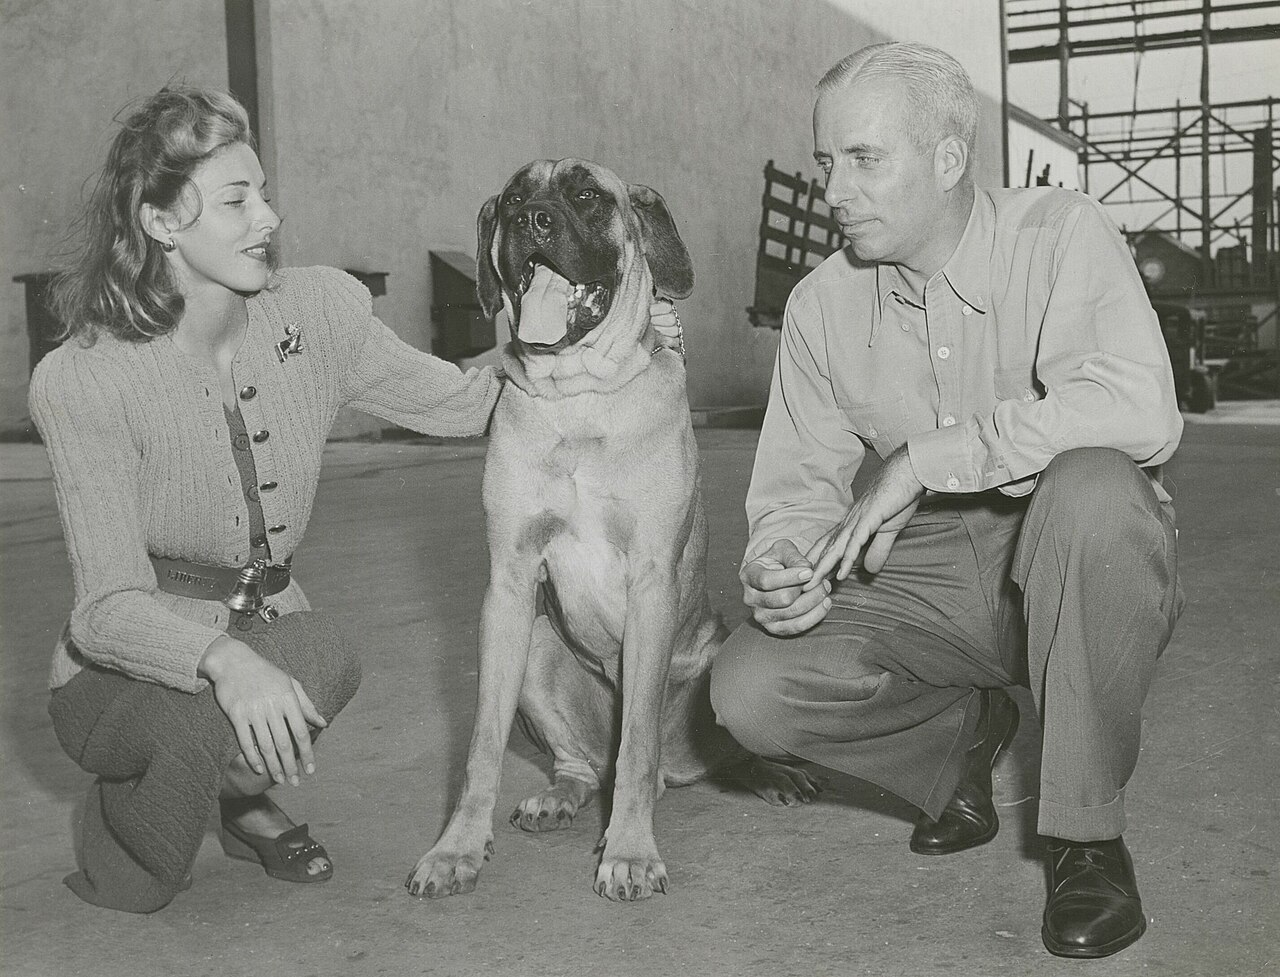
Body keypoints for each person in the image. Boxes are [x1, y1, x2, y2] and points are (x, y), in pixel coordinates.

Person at [31, 85, 683, 913]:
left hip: (259, 621)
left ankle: (227, 788)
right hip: (115, 670)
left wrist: (593, 351)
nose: (268, 217)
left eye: (264, 191)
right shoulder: (81, 378)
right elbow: (104, 608)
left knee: (322, 658)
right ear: (161, 222)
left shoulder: (315, 310)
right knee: (156, 848)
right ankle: (129, 810)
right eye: (237, 200)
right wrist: (224, 660)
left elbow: (456, 398)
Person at [709, 43, 1184, 960]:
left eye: (863, 159)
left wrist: (931, 457)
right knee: (749, 690)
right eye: (824, 164)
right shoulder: (819, 306)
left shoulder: (1060, 233)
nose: (833, 189)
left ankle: (1084, 837)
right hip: (926, 578)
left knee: (1092, 485)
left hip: (1075, 555)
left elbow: (1140, 408)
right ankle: (959, 744)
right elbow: (795, 491)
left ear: (949, 159)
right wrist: (780, 564)